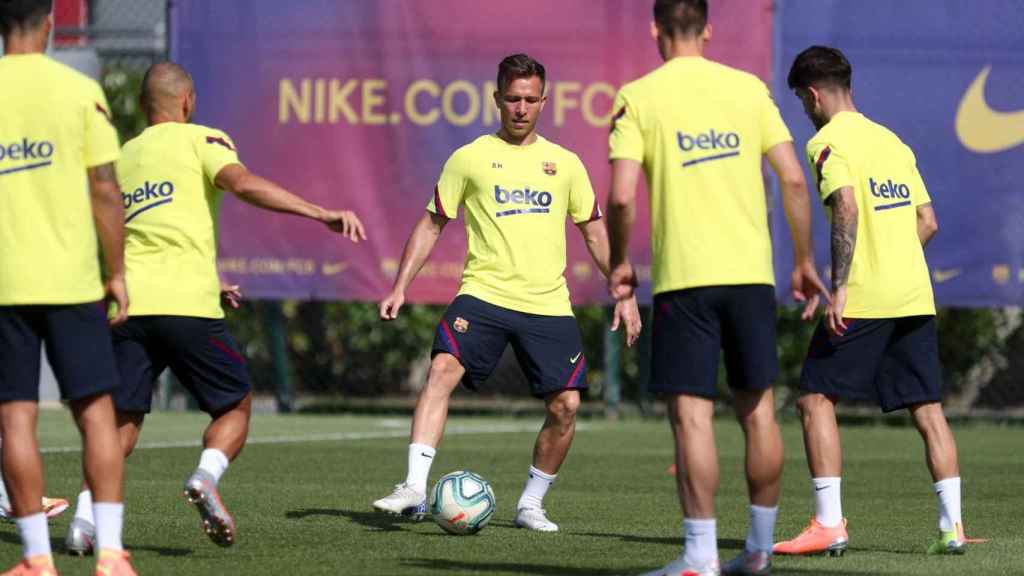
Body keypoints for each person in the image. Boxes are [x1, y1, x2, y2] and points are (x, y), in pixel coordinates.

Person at [64, 61, 367, 554]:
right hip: (187, 306)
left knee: (120, 423)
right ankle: (206, 477)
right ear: (188, 102)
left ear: (143, 107)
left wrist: (213, 277)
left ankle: (83, 520)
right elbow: (242, 184)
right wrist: (319, 212)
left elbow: (137, 233)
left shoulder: (122, 156)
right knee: (235, 404)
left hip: (129, 307)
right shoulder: (203, 139)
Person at [372, 53, 641, 533]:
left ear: (544, 100)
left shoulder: (566, 164)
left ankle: (531, 504)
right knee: (442, 369)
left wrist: (622, 290)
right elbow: (432, 224)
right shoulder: (469, 157)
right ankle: (414, 487)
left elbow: (595, 232)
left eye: (530, 99)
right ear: (497, 98)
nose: (521, 108)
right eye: (512, 99)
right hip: (484, 294)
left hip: (547, 303)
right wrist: (400, 285)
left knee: (566, 406)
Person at [606, 1, 826, 574]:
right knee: (758, 413)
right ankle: (757, 552)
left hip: (686, 280)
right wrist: (802, 260)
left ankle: (700, 558)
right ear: (707, 29)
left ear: (655, 29)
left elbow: (623, 196)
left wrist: (620, 262)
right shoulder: (750, 90)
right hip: (752, 277)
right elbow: (795, 179)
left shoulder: (639, 95)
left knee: (694, 418)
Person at [773, 45, 965, 558]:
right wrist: (897, 260)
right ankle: (953, 529)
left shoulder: (826, 142)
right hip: (913, 294)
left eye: (801, 100)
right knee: (928, 410)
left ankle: (829, 524)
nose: (805, 110)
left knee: (815, 400)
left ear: (812, 95)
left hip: (863, 297)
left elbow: (848, 208)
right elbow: (928, 222)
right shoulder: (892, 141)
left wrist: (840, 286)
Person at [0, 0, 136, 573]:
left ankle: (36, 559)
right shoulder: (79, 90)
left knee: (15, 419)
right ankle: (110, 553)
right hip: (73, 280)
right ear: (51, 23)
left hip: (6, 283)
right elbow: (105, 190)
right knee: (97, 413)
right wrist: (117, 271)